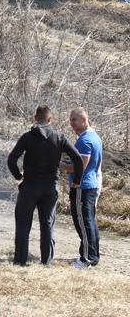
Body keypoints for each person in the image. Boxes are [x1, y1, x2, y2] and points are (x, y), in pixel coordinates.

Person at [7, 105, 83, 266]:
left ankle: (20, 260)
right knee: (48, 223)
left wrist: (18, 176)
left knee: (23, 222)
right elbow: (77, 158)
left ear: (35, 118)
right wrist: (77, 180)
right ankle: (46, 261)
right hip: (50, 187)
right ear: (50, 119)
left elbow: (11, 159)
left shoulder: (27, 137)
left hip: (29, 186)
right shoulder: (59, 137)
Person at [60, 107, 102, 268]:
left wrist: (61, 165)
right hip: (90, 186)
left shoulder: (85, 140)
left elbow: (80, 166)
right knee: (89, 222)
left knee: (83, 223)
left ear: (84, 120)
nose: (71, 123)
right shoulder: (94, 136)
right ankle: (92, 255)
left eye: (74, 120)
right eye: (70, 120)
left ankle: (86, 260)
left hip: (82, 187)